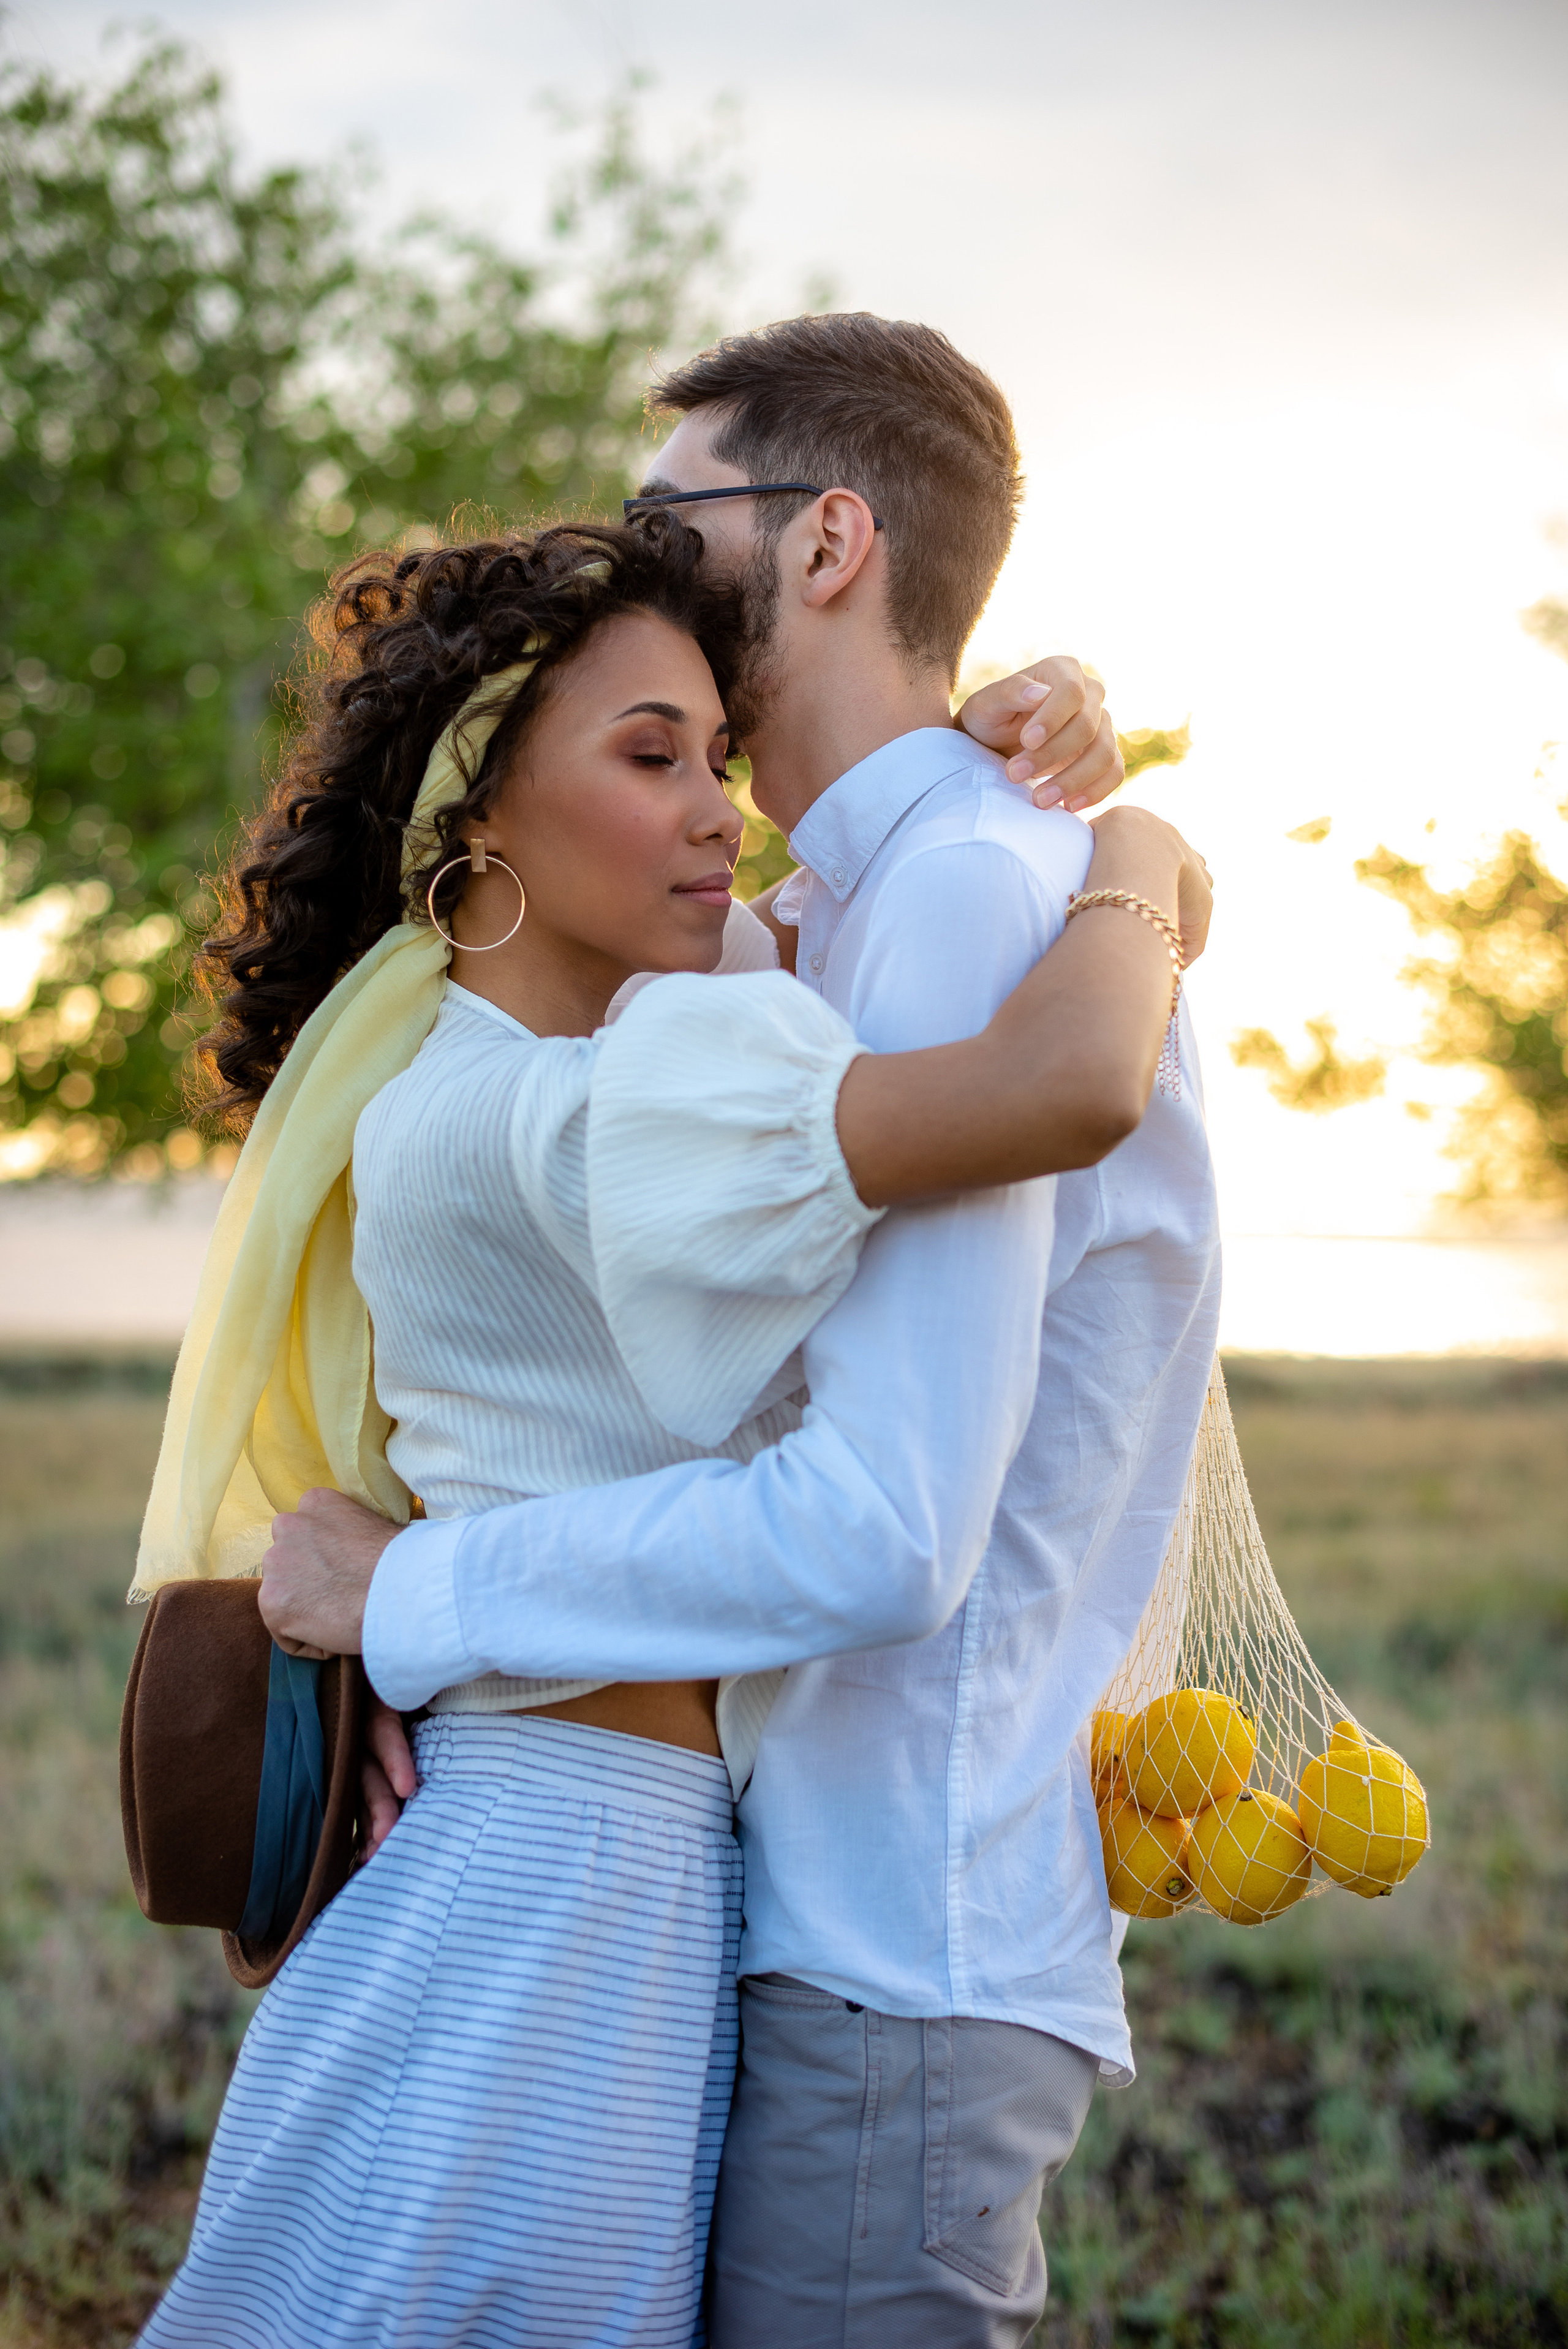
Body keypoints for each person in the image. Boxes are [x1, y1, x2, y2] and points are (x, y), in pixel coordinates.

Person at [136, 492, 1204, 2343]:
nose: (724, 808)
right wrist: (1143, 848)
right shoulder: (571, 1126)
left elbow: (799, 940)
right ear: (480, 825)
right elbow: (1064, 1074)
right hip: (558, 1886)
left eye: (721, 751)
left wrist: (1011, 733)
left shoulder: (542, 1062)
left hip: (577, 1860)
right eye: (652, 757)